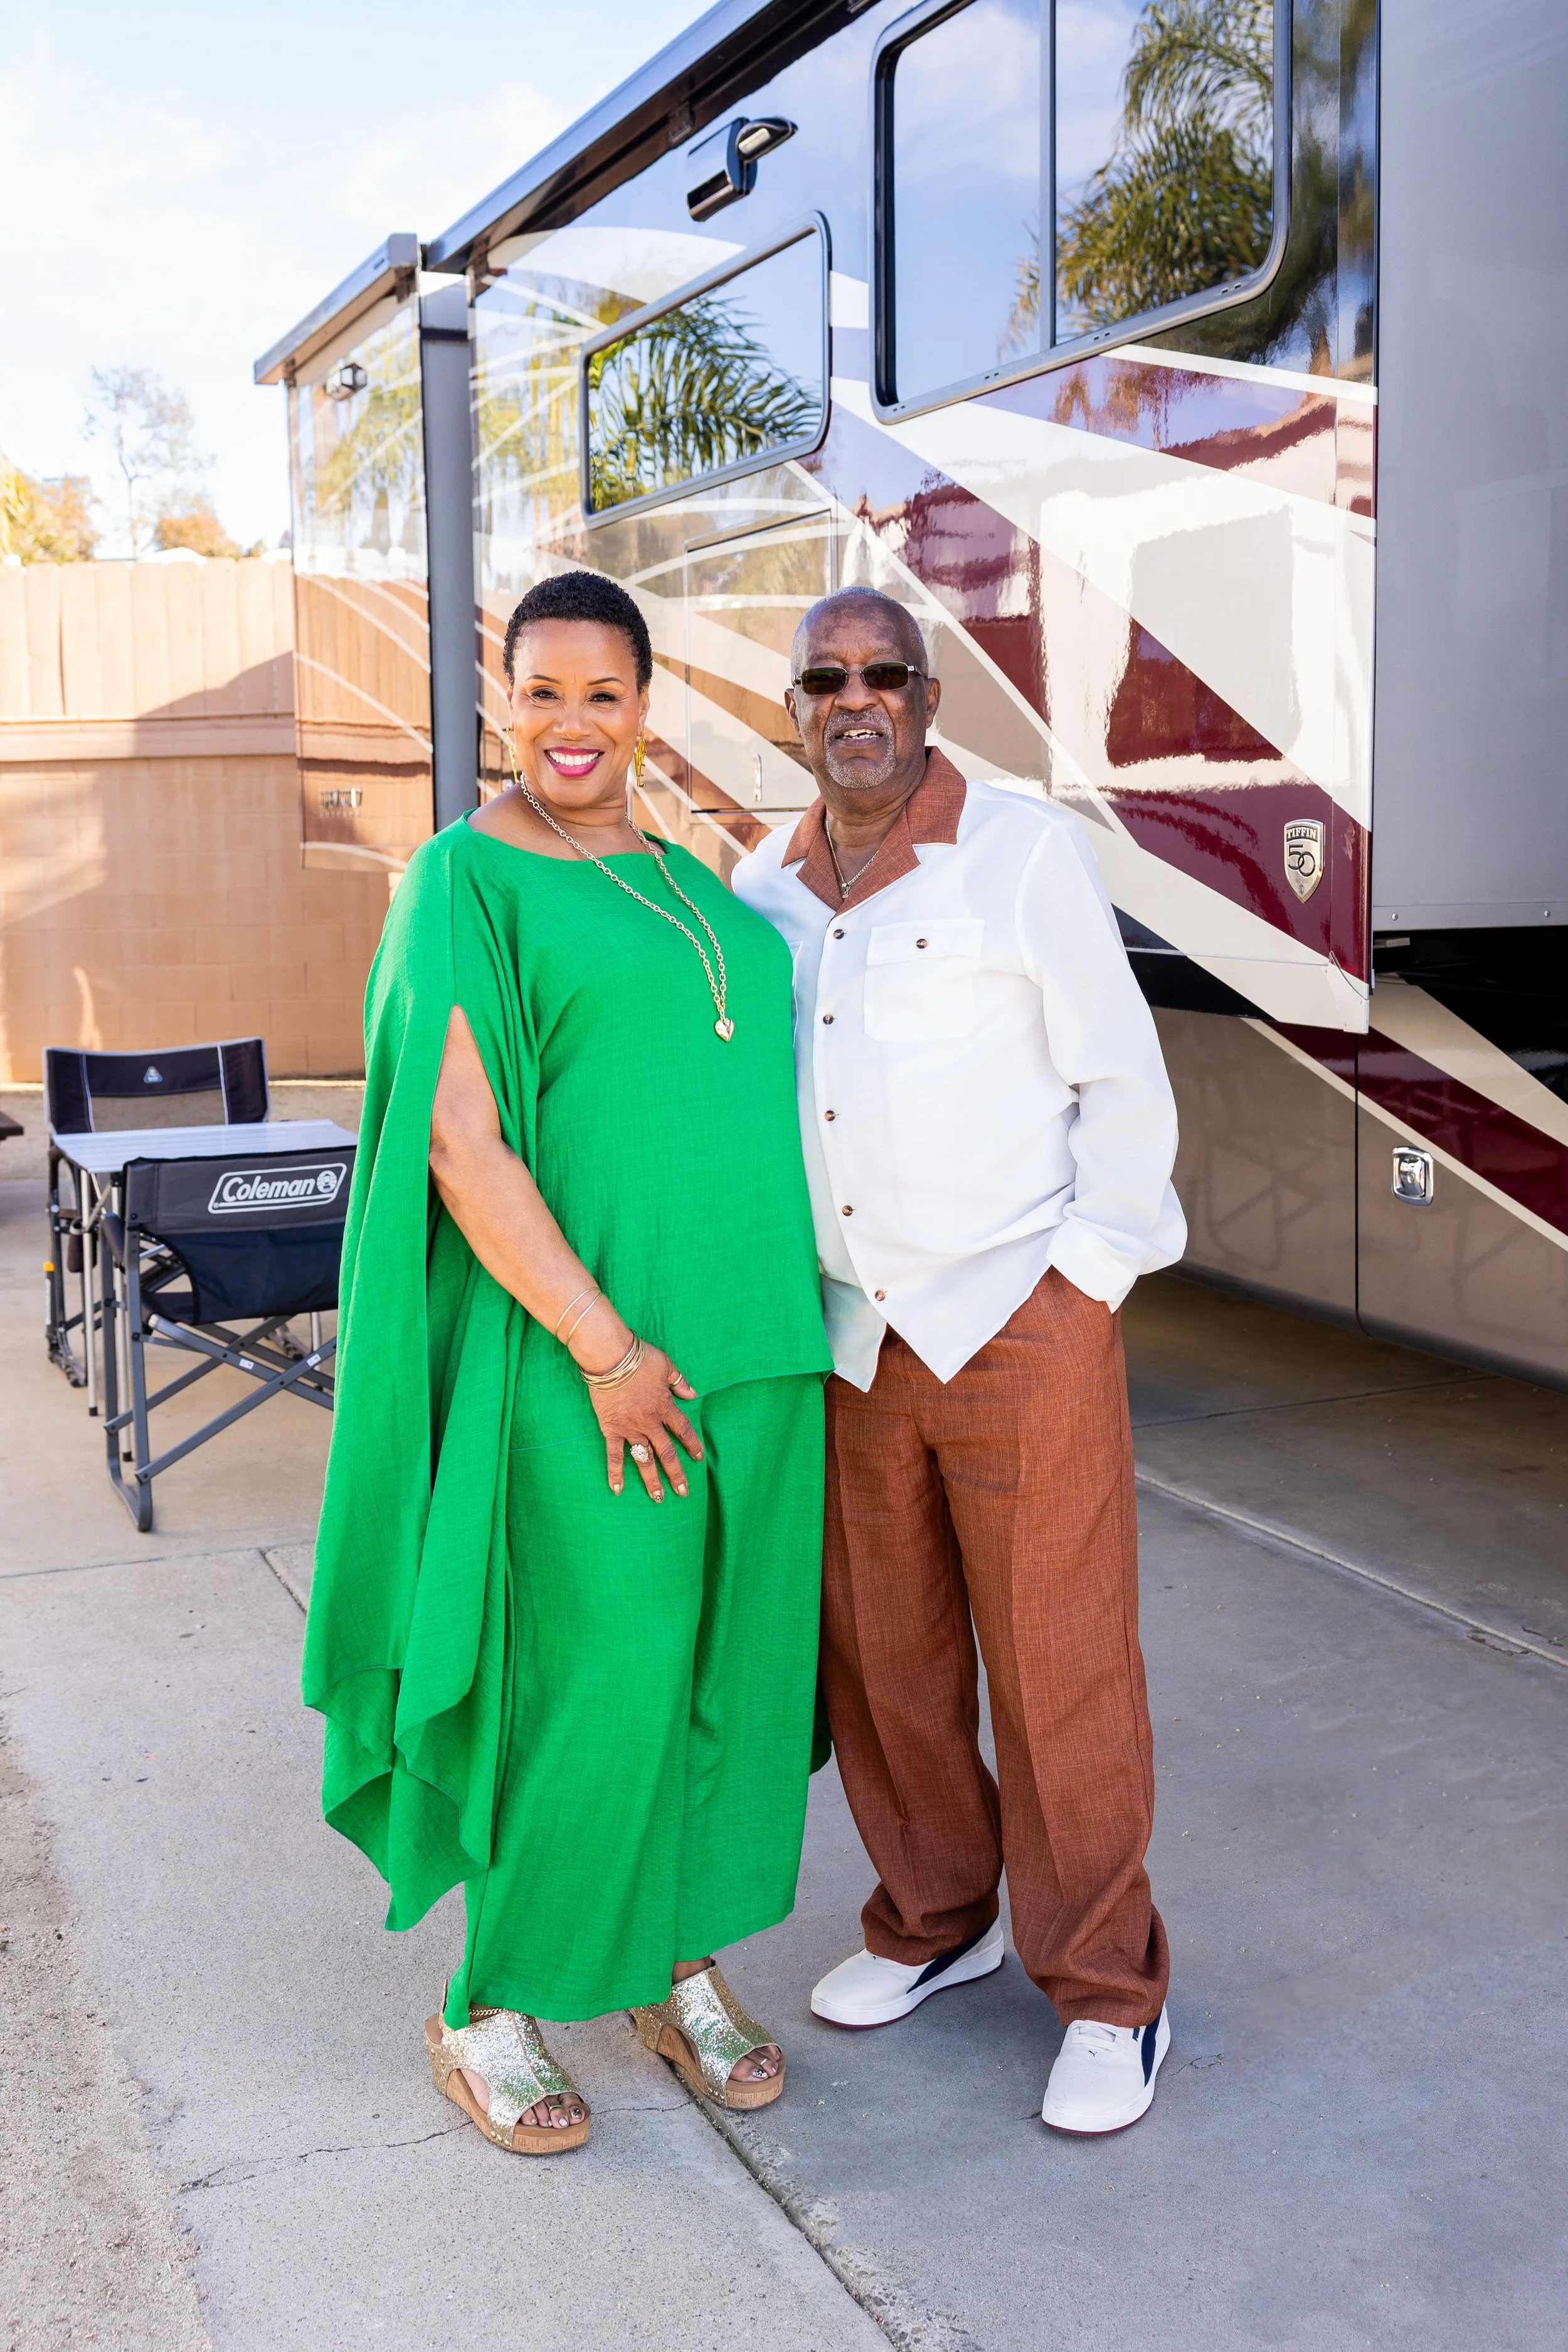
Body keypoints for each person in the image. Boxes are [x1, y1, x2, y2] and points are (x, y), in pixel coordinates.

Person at [304, 570, 832, 2154]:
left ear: (645, 701)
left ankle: (665, 1967)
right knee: (591, 1683)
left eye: (602, 693)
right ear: (504, 702)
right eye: (542, 693)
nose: (572, 724)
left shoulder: (698, 880)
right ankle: (492, 2004)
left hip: (758, 1353)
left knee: (718, 1678)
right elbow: (460, 1145)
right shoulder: (464, 876)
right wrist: (603, 1349)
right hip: (592, 1362)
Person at [732, 586, 1187, 2136]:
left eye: (882, 675)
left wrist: (1082, 1285)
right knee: (886, 1662)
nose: (851, 699)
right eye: (821, 677)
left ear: (926, 698)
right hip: (850, 1339)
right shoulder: (758, 889)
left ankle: (1108, 1989)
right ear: (791, 706)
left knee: (1058, 1669)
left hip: (1017, 1321)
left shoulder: (1020, 852)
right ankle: (939, 1920)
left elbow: (1121, 1087)